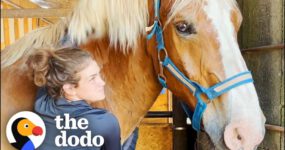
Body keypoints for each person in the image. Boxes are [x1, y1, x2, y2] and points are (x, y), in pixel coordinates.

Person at [27, 48, 121, 150]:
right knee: (132, 135)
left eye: (99, 74)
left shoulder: (41, 102)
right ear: (70, 88)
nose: (102, 82)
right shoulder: (104, 121)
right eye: (92, 78)